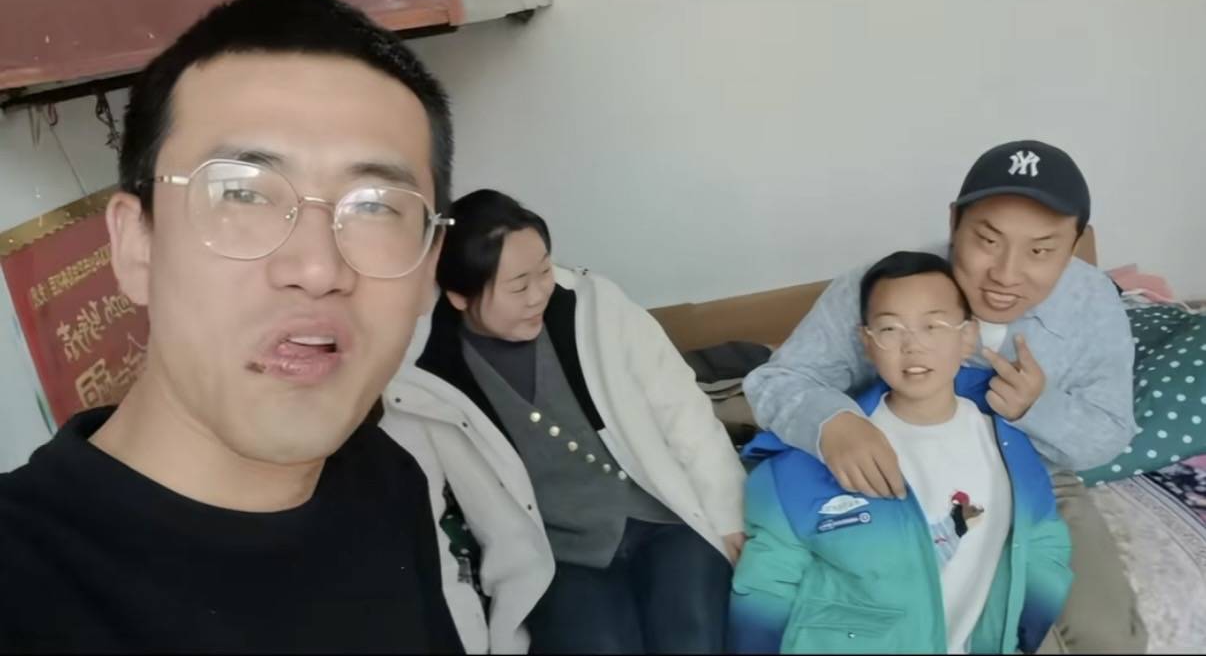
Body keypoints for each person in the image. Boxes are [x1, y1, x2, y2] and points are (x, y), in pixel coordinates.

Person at [0, 0, 464, 653]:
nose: (318, 267)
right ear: (135, 245)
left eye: (374, 206)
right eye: (241, 192)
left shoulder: (388, 479)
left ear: (428, 267)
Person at [744, 140, 1144, 653]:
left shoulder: (1093, 302)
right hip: (896, 475)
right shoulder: (885, 285)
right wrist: (834, 424)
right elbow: (777, 380)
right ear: (954, 221)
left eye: (1041, 250)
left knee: (1108, 636)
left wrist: (1035, 408)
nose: (1006, 274)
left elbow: (1109, 433)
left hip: (1034, 480)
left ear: (1074, 244)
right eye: (988, 240)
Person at [380, 189, 746, 654]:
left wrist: (727, 515)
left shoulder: (596, 308)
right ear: (458, 296)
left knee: (692, 639)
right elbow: (421, 511)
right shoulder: (420, 379)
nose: (538, 295)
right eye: (518, 287)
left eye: (544, 271)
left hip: (661, 518)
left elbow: (682, 411)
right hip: (556, 557)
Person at [729, 251, 1072, 653]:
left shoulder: (1009, 442)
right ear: (867, 342)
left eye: (933, 326)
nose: (913, 346)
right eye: (890, 329)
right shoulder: (812, 460)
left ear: (967, 337)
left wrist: (1023, 631)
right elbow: (766, 587)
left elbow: (1044, 537)